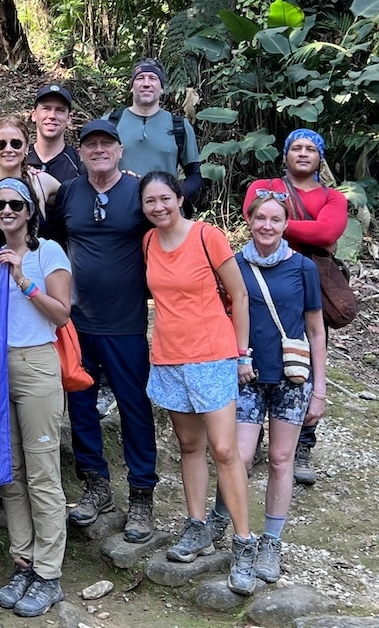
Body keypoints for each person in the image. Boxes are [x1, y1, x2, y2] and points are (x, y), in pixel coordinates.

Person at [139, 170, 258, 595]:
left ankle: (244, 542)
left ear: (179, 198)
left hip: (212, 354)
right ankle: (196, 527)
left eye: (164, 198)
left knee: (225, 450)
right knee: (190, 446)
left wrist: (242, 353)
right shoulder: (148, 242)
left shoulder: (208, 236)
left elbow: (239, 294)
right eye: (150, 201)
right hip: (169, 355)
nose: (158, 207)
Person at [43, 119, 158, 544]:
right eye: (90, 144)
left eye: (106, 143)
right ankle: (95, 485)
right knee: (81, 406)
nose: (98, 150)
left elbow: (163, 237)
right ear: (81, 152)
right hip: (76, 321)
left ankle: (142, 493)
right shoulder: (70, 192)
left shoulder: (139, 191)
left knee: (134, 407)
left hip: (126, 322)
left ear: (120, 149)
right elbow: (52, 240)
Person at [204, 190, 326, 584]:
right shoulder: (234, 265)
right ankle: (222, 517)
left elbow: (316, 329)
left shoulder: (303, 267)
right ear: (249, 221)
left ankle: (271, 541)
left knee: (280, 459)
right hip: (246, 375)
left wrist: (319, 389)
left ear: (286, 224)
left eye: (275, 219)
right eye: (260, 218)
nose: (267, 226)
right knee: (237, 457)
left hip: (292, 377)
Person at [0, 178, 72, 618]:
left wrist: (22, 279)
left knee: (42, 472)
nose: (7, 210)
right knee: (12, 474)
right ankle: (24, 563)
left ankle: (49, 574)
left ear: (30, 210)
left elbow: (62, 314)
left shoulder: (47, 252)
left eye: (15, 204)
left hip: (37, 363)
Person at [243, 128, 347, 487]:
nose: (303, 153)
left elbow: (327, 233)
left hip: (307, 284)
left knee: (305, 356)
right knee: (256, 352)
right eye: (296, 147)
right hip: (259, 278)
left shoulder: (332, 197)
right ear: (285, 154)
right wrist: (298, 226)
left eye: (310, 149)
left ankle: (302, 442)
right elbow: (253, 213)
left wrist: (278, 223)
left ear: (320, 158)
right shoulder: (263, 185)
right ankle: (253, 435)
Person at [109, 58, 203, 213]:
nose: (146, 84)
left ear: (162, 88)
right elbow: (91, 171)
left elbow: (194, 175)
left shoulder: (179, 126)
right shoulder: (110, 123)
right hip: (119, 212)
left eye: (153, 78)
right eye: (140, 78)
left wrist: (176, 195)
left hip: (164, 215)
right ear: (132, 87)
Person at [0, 115, 60, 248]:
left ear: (26, 147)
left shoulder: (42, 182)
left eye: (16, 144)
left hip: (34, 259)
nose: (8, 149)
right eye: (1, 144)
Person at [26, 85, 82, 183]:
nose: (52, 116)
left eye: (60, 110)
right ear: (34, 115)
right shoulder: (20, 159)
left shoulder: (79, 164)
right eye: (46, 108)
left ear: (69, 118)